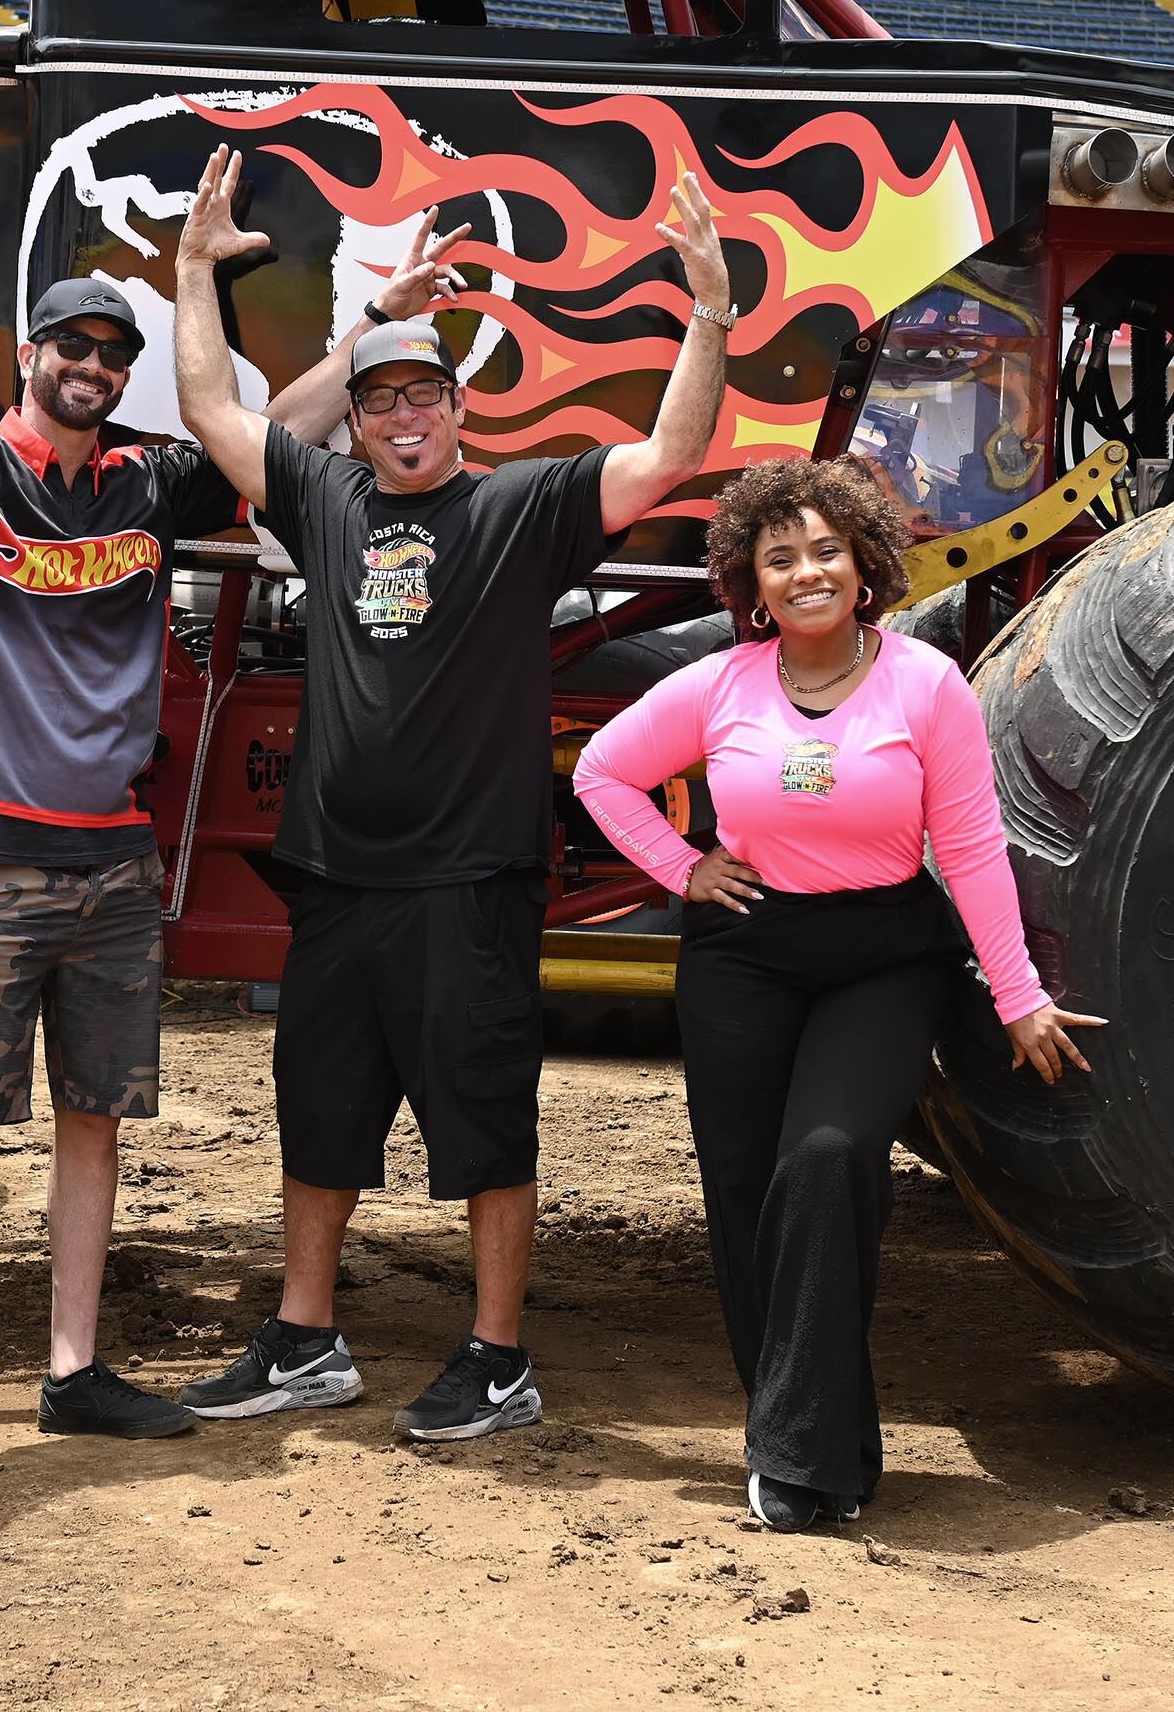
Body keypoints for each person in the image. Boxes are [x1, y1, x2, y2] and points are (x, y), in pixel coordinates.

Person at [0, 80, 471, 1511]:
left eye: (107, 347)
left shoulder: (147, 487)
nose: (86, 360)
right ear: (30, 363)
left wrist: (381, 333)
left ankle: (71, 1369)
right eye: (67, 342)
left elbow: (293, 422)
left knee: (93, 1121)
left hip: (113, 862)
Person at [168, 144, 732, 1440]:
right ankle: (304, 1336)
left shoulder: (520, 510)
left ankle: (495, 1353)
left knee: (481, 1124)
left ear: (456, 407)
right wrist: (193, 272)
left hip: (465, 880)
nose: (403, 418)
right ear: (356, 422)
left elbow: (666, 453)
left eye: (424, 396)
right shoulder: (325, 500)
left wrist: (704, 310)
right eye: (381, 404)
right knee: (315, 1113)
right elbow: (211, 409)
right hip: (337, 877)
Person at [570, 457, 1103, 1531]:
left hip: (882, 955)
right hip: (745, 957)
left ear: (864, 566)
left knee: (826, 1161)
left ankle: (803, 1450)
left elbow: (969, 844)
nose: (805, 571)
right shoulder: (720, 684)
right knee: (742, 1197)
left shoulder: (925, 683)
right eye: (779, 558)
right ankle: (807, 1445)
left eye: (824, 550)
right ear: (749, 583)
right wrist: (682, 869)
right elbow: (600, 773)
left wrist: (1015, 994)